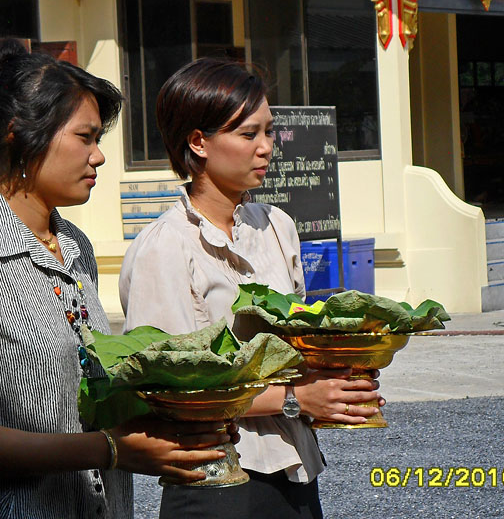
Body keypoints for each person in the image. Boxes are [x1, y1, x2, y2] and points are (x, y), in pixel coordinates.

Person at [0, 40, 234, 519]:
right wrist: (108, 450)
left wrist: (181, 421)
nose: (99, 156)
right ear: (19, 134)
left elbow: (84, 398)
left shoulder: (75, 246)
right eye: (85, 137)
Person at [119, 57, 385, 518]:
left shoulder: (276, 226)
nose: (266, 148)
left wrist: (339, 374)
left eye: (269, 131)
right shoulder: (164, 246)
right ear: (198, 142)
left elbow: (295, 343)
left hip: (295, 465)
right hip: (214, 475)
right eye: (248, 134)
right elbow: (173, 389)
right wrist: (296, 398)